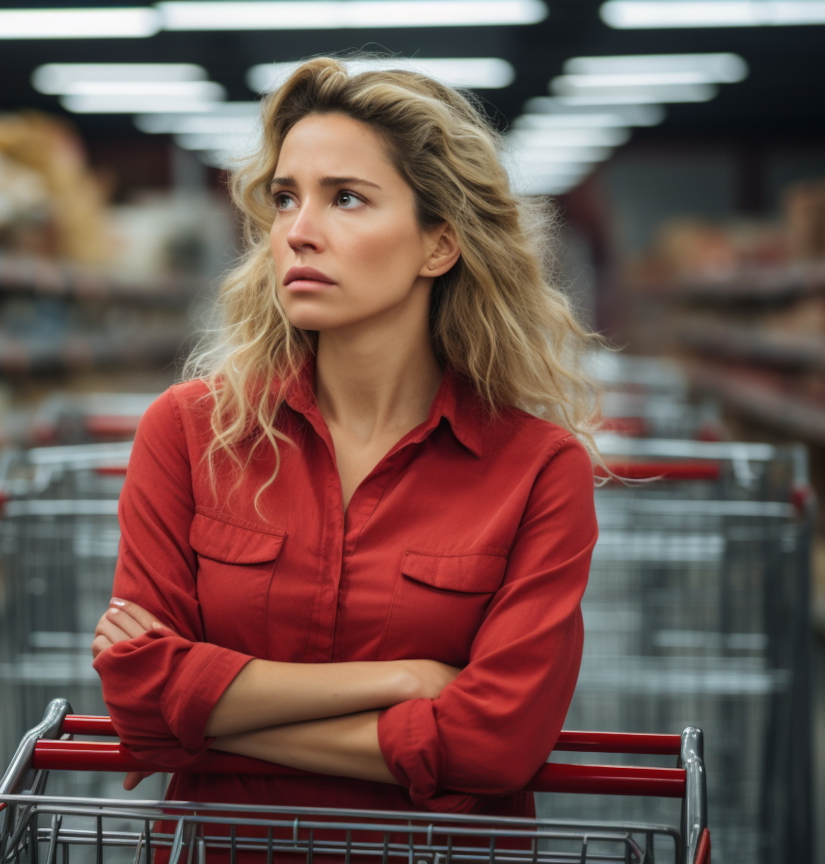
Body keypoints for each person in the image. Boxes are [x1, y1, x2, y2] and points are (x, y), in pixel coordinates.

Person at [90, 56, 602, 823]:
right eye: (286, 198)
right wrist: (404, 681)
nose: (298, 232)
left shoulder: (537, 471)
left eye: (348, 199)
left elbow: (497, 744)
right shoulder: (191, 433)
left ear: (439, 245)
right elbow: (136, 698)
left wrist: (197, 726)